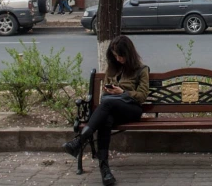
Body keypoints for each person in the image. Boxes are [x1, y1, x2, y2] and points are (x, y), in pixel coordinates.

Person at [62, 36, 149, 185]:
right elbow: (105, 95)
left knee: (107, 106)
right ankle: (105, 171)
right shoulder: (113, 68)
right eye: (115, 55)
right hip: (112, 108)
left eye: (120, 55)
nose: (118, 58)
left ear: (129, 53)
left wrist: (122, 92)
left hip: (131, 110)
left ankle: (79, 141)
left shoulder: (141, 69)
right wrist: (108, 91)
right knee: (105, 120)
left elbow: (142, 96)